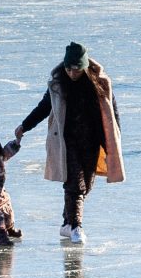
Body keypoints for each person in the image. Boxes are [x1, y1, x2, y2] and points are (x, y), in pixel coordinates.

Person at [11, 43, 124, 244]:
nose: (72, 73)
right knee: (75, 185)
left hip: (91, 141)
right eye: (69, 68)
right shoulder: (58, 84)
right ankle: (75, 227)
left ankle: (66, 223)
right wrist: (25, 126)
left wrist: (114, 142)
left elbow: (112, 114)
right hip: (66, 142)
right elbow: (44, 107)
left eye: (77, 69)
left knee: (86, 186)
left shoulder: (99, 83)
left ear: (85, 66)